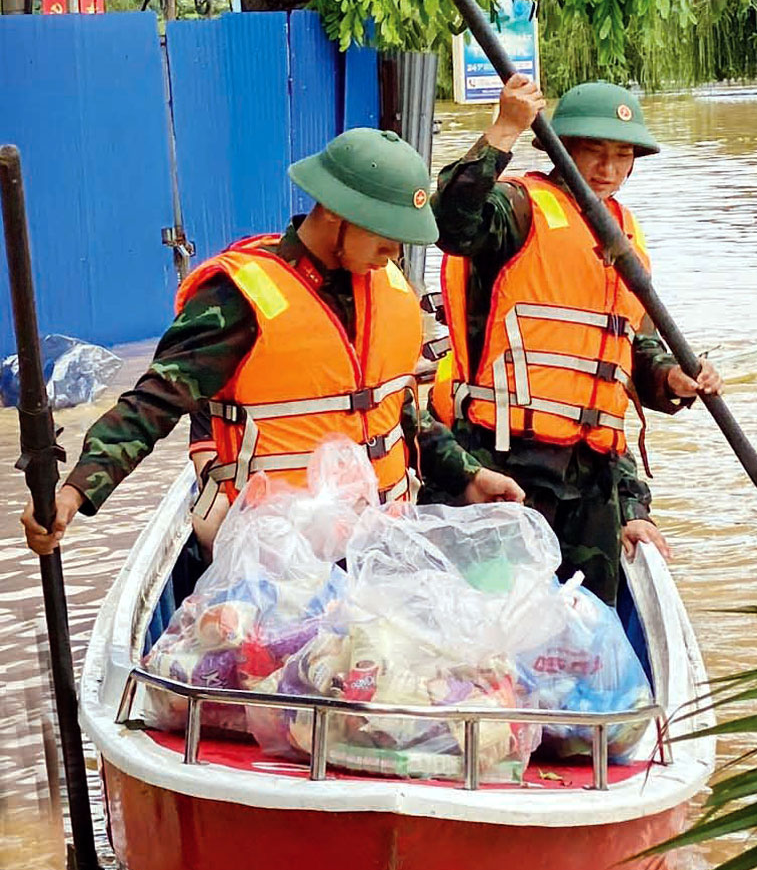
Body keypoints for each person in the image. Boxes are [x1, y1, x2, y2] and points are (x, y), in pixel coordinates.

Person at [22, 128, 522, 556]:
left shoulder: (386, 287)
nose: (394, 251)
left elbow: (399, 411)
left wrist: (469, 476)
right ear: (334, 213)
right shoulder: (241, 297)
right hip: (276, 563)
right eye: (385, 234)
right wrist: (74, 491)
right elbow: (152, 403)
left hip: (378, 549)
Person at [425, 75, 721, 608]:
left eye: (622, 156)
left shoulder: (625, 235)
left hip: (591, 474)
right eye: (594, 153)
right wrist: (504, 128)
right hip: (504, 458)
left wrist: (671, 378)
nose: (608, 170)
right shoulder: (517, 209)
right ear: (559, 150)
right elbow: (447, 222)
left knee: (586, 629)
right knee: (491, 620)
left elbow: (634, 345)